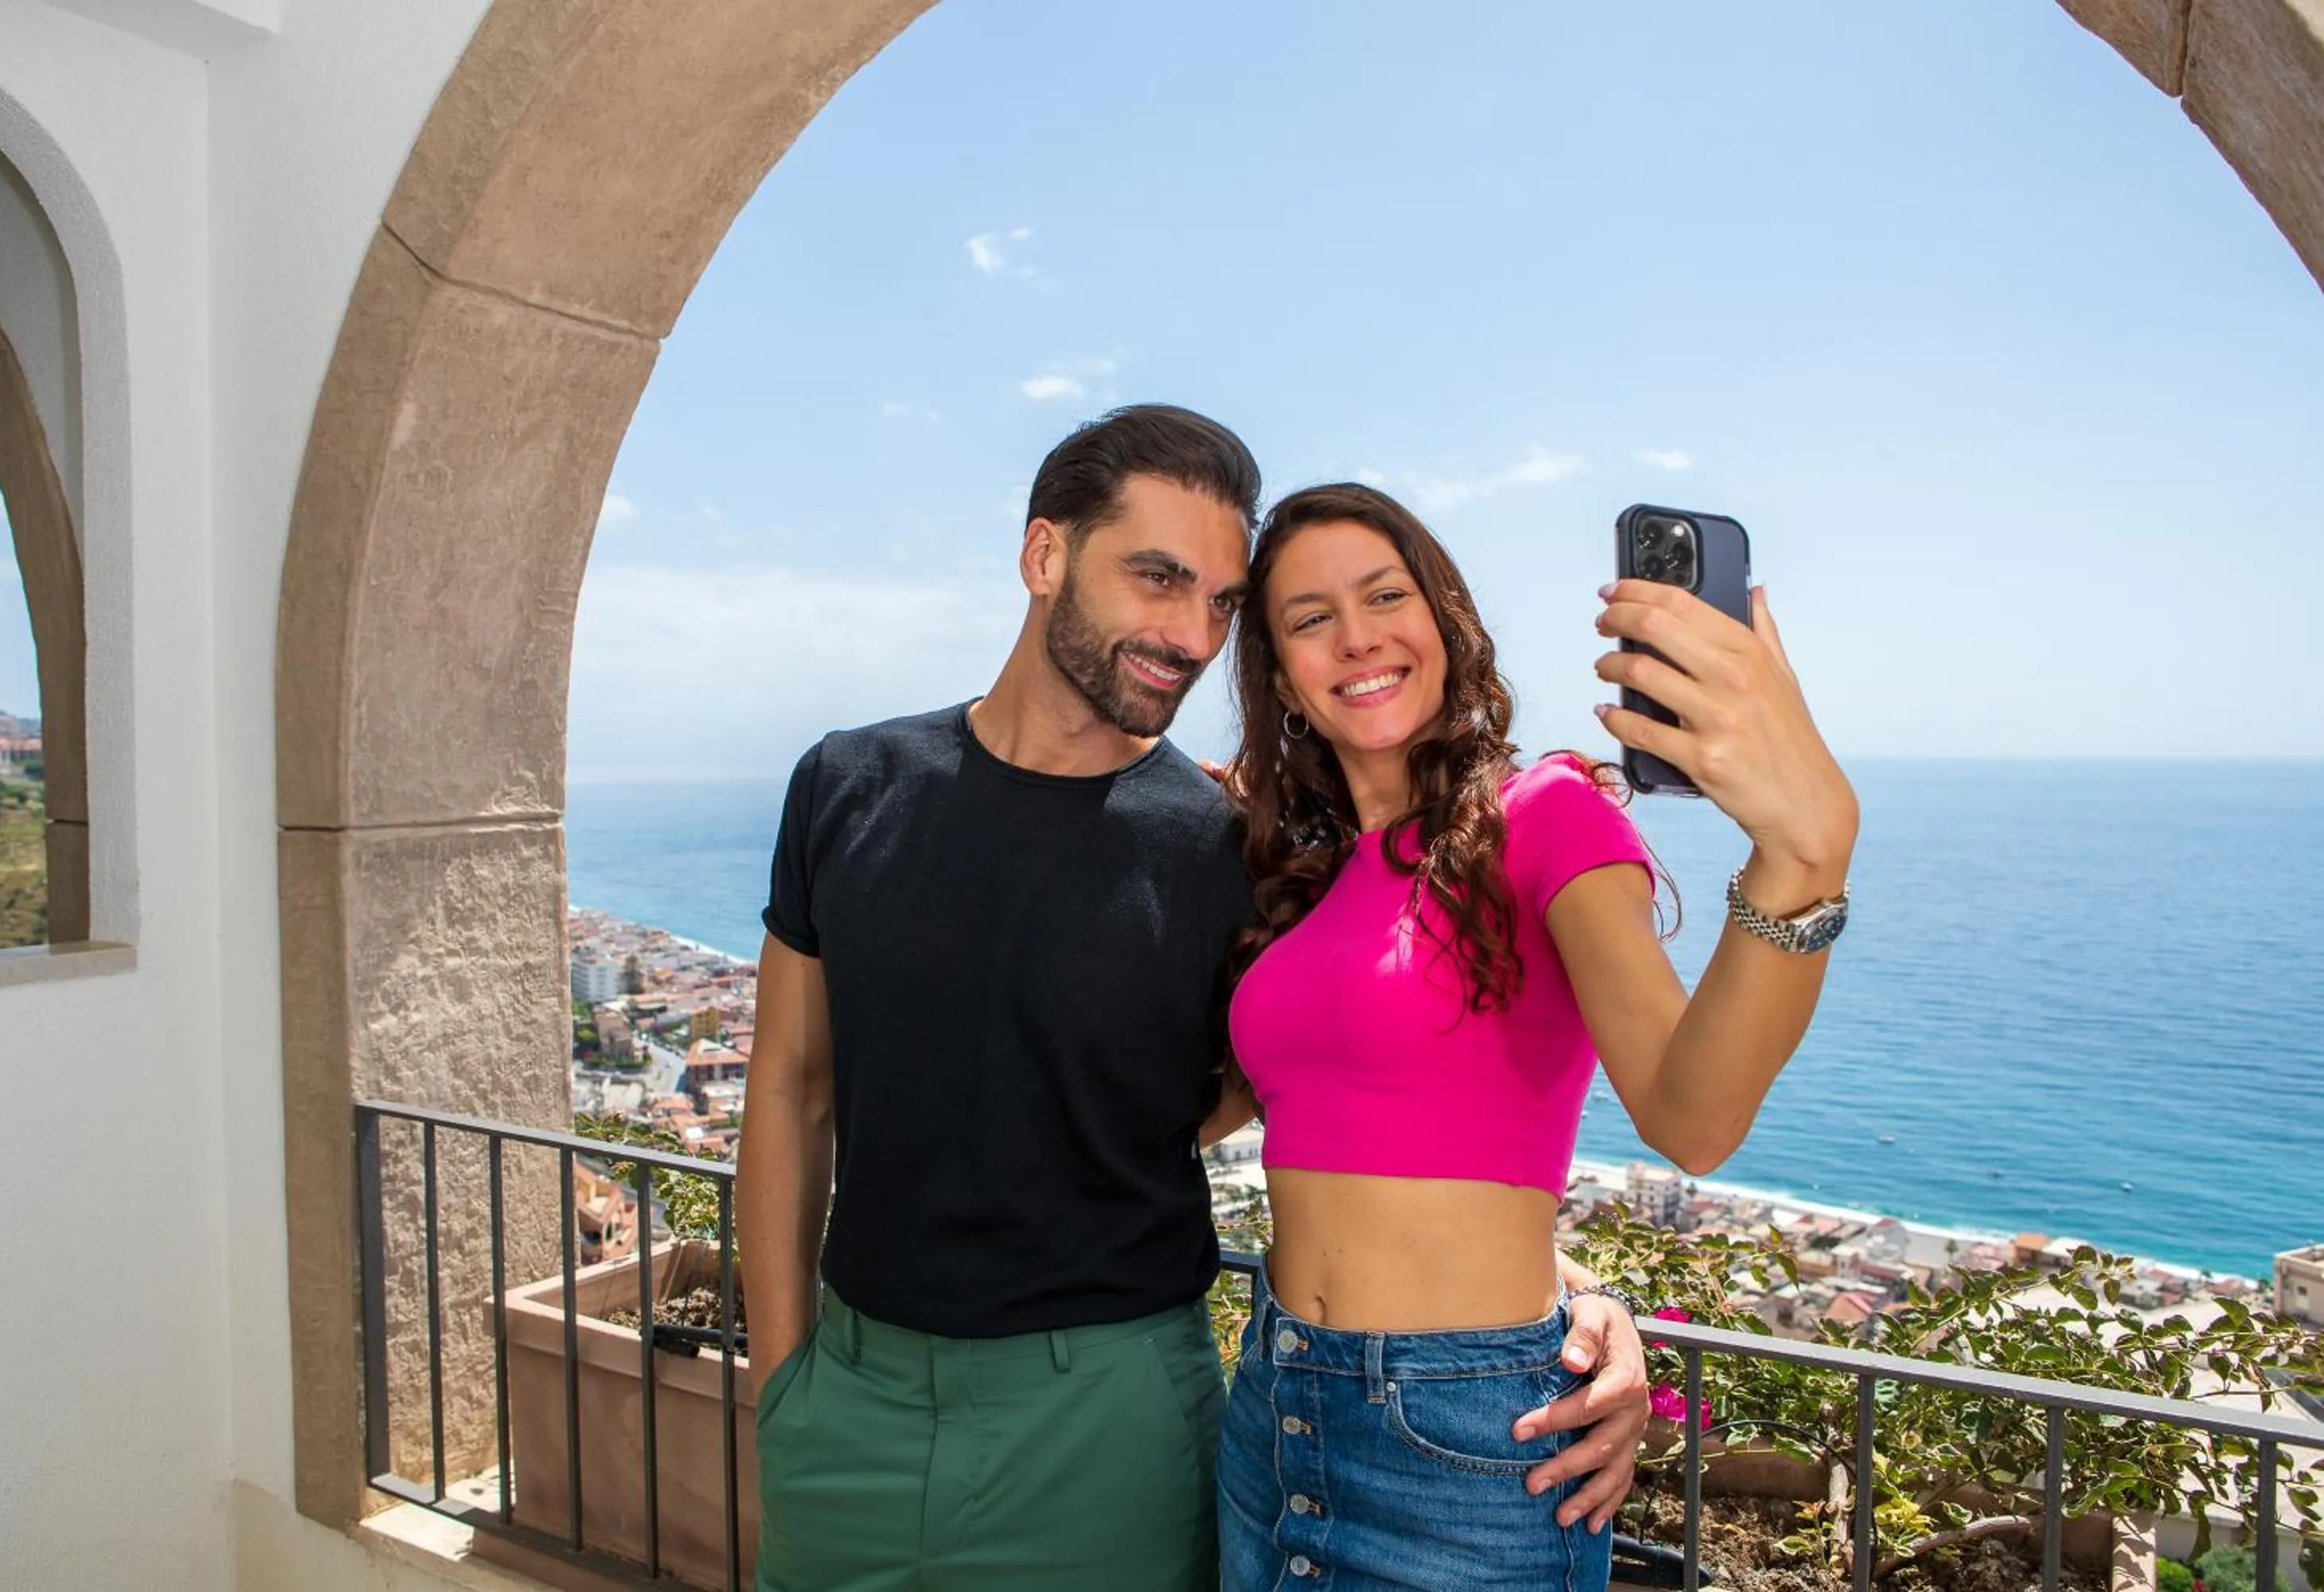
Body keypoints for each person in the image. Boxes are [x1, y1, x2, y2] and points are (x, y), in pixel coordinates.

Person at [736, 407, 1654, 1592]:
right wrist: (784, 1375)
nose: (1190, 634)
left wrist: (1571, 1300)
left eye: (1222, 603)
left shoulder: (1237, 849)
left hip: (1111, 1418)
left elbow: (1364, 1090)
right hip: (847, 1406)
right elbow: (789, 1083)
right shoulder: (847, 783)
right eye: (1158, 577)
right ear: (1044, 555)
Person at [1213, 482, 1859, 1589]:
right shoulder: (1293, 880)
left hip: (1467, 1446)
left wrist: (1805, 859)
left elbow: (1692, 1118)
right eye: (1310, 618)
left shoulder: (1546, 814)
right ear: (1279, 670)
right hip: (1271, 1407)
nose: (1357, 636)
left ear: (1444, 621)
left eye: (1384, 595)